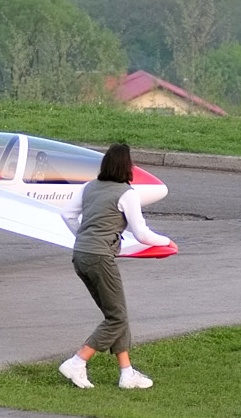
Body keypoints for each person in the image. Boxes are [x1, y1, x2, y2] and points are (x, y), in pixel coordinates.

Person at [57, 143, 174, 390]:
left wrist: (83, 236)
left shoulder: (89, 187)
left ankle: (127, 373)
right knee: (116, 317)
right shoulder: (127, 193)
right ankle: (77, 362)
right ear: (127, 168)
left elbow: (66, 214)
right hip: (100, 258)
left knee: (116, 315)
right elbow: (141, 233)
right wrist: (169, 242)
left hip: (81, 256)